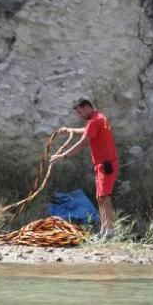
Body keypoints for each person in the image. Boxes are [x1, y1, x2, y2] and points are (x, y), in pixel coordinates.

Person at [49, 99, 118, 239]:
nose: (80, 115)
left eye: (80, 112)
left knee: (105, 198)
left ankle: (109, 232)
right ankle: (103, 230)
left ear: (87, 107)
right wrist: (69, 130)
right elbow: (87, 131)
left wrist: (63, 156)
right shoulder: (98, 118)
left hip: (106, 165)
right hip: (101, 165)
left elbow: (83, 143)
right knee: (100, 198)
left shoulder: (95, 120)